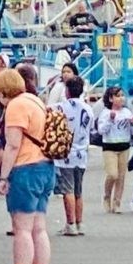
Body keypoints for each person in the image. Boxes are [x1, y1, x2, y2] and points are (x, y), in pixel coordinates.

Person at [0, 67, 54, 264]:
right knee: (39, 228)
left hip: (25, 169)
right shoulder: (35, 101)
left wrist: (3, 176)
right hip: (45, 167)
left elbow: (13, 145)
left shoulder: (16, 106)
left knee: (22, 230)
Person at [54, 76, 93, 236]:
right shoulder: (88, 109)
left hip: (66, 152)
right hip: (82, 152)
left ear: (67, 90)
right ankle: (79, 222)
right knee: (78, 191)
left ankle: (70, 223)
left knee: (67, 189)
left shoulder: (61, 107)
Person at [97, 86, 133, 213]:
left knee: (121, 176)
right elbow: (101, 130)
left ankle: (117, 202)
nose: (121, 98)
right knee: (113, 174)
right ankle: (107, 196)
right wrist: (110, 120)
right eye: (117, 96)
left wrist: (132, 124)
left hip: (124, 145)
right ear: (111, 99)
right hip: (110, 146)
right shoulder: (105, 113)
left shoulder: (127, 112)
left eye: (122, 95)